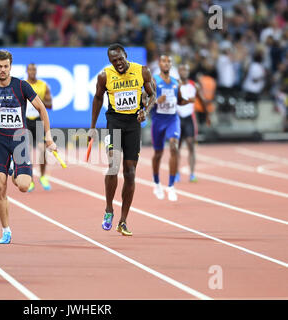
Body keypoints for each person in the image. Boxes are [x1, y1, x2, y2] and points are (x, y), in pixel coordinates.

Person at [0, 49, 56, 245]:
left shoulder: (21, 86)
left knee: (23, 186)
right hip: (0, 141)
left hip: (19, 141)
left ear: (10, 67)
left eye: (6, 66)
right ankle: (5, 230)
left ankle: (14, 172)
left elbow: (42, 109)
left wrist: (48, 136)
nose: (3, 70)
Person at [88, 43, 156, 236]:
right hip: (114, 121)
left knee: (131, 172)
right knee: (113, 165)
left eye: (120, 59)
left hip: (133, 123)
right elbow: (98, 98)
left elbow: (152, 94)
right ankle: (109, 209)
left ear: (126, 55)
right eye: (113, 61)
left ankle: (123, 221)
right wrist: (92, 127)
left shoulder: (142, 71)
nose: (117, 63)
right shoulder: (105, 76)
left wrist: (146, 111)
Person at [149, 55, 195, 201]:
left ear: (171, 65)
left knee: (174, 147)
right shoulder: (154, 80)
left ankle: (171, 186)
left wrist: (188, 101)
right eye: (164, 61)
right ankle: (157, 183)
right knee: (158, 153)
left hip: (172, 119)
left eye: (169, 61)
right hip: (158, 121)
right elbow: (144, 100)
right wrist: (156, 101)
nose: (166, 64)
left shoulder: (177, 83)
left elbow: (179, 101)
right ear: (159, 63)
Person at [176, 63, 208, 183]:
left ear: (189, 72)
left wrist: (207, 115)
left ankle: (192, 173)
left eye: (186, 70)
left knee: (191, 145)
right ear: (179, 72)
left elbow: (202, 100)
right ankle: (176, 173)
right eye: (182, 70)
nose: (184, 72)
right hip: (177, 118)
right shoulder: (175, 85)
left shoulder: (194, 85)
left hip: (189, 118)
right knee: (176, 147)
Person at [25, 63, 53, 192]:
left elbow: (50, 104)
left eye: (34, 69)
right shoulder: (23, 86)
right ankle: (29, 180)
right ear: (27, 71)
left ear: (36, 71)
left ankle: (42, 176)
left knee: (42, 150)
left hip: (38, 121)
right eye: (30, 69)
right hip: (25, 120)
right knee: (26, 152)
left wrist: (38, 100)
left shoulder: (43, 85)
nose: (32, 72)